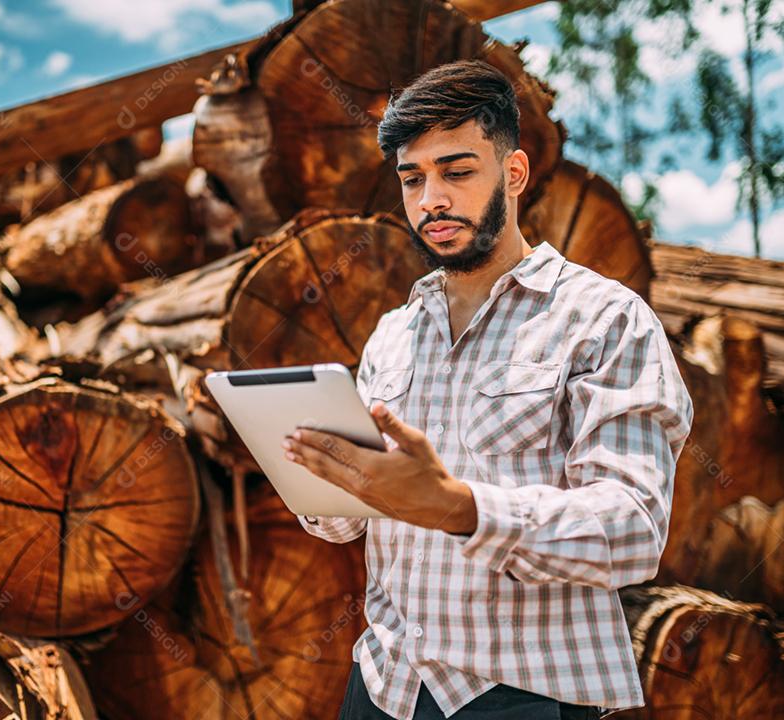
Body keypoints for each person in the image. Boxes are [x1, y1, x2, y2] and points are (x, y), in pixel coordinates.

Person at [280, 59, 694, 720]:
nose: (431, 200)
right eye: (413, 179)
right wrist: (314, 475)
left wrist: (459, 507)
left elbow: (633, 528)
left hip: (523, 694)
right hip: (382, 684)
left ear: (515, 173)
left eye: (457, 171)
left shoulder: (604, 320)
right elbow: (343, 523)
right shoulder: (393, 333)